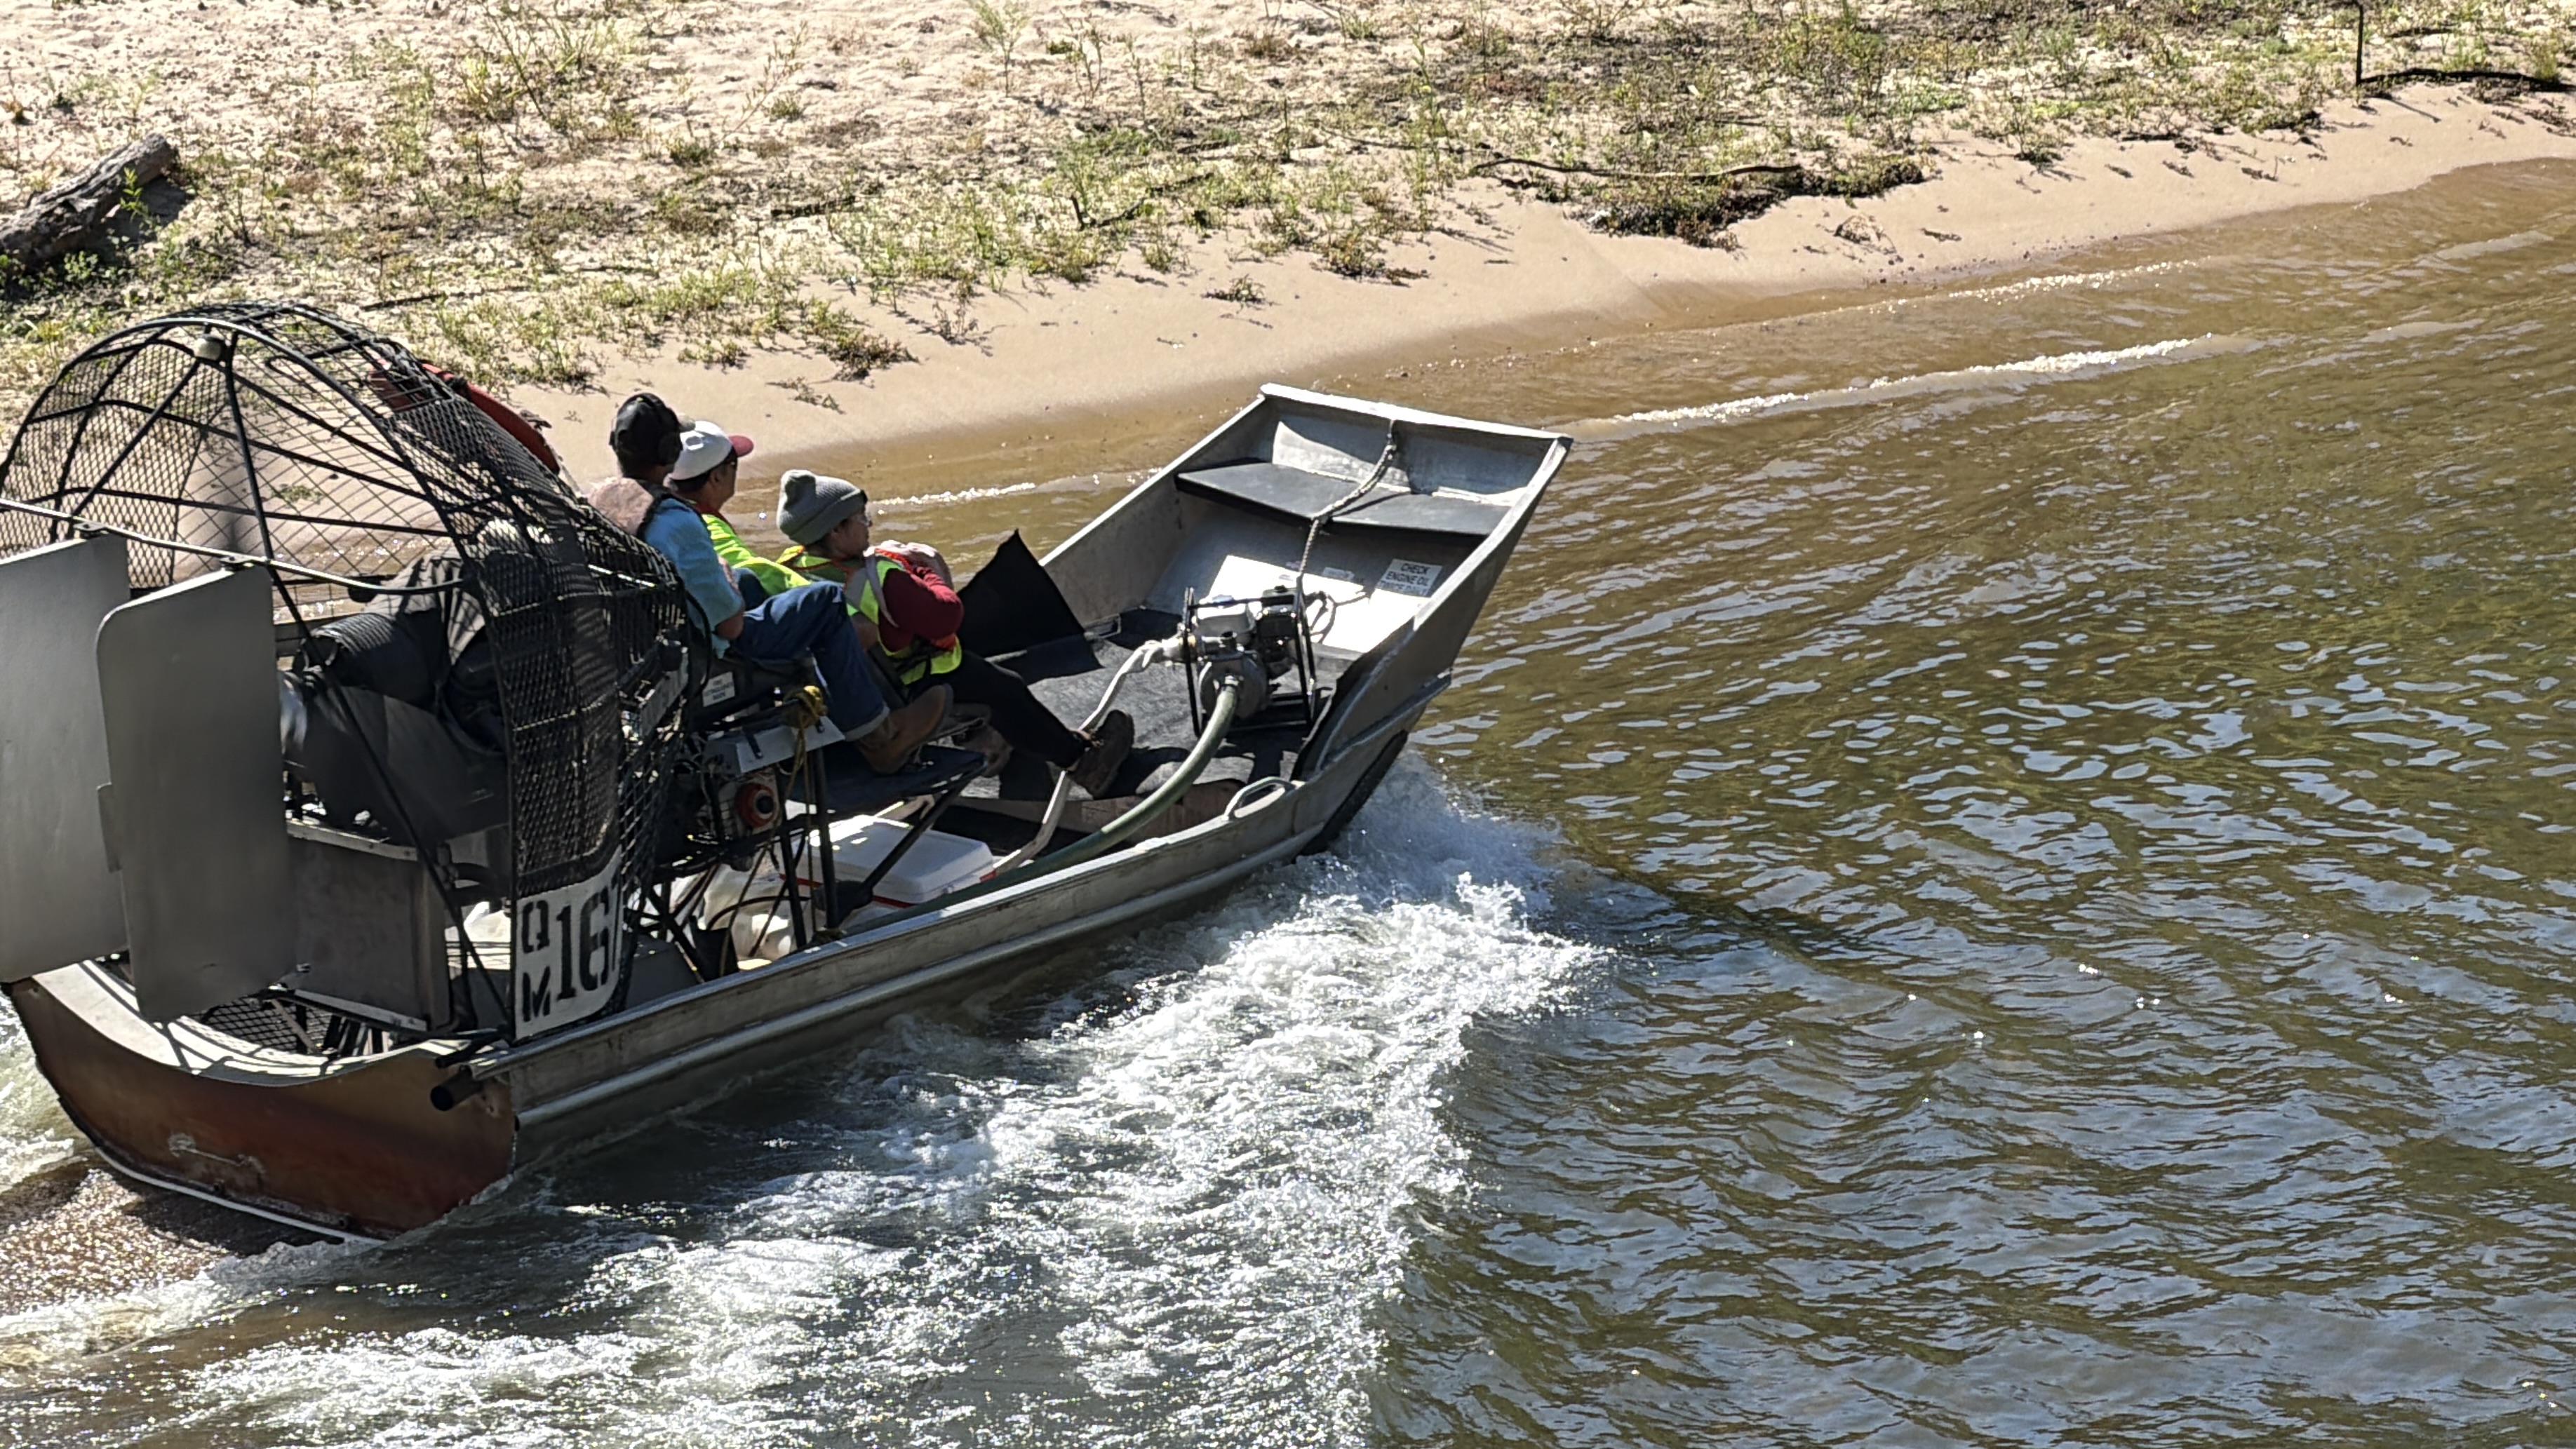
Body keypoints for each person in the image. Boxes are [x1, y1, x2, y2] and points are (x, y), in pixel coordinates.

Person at [584, 396, 948, 772]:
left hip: (641, 645)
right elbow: (731, 626)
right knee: (824, 601)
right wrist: (722, 572)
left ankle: (812, 702)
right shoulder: (675, 520)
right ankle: (880, 738)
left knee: (748, 579)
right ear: (671, 453)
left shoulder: (597, 505)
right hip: (702, 657)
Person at [774, 467, 1133, 796]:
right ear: (835, 531)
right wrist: (926, 568)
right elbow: (948, 616)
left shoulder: (790, 568)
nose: (869, 526)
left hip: (859, 692)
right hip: (913, 686)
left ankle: (988, 740)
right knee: (1005, 688)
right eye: (860, 518)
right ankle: (1082, 761)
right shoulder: (881, 578)